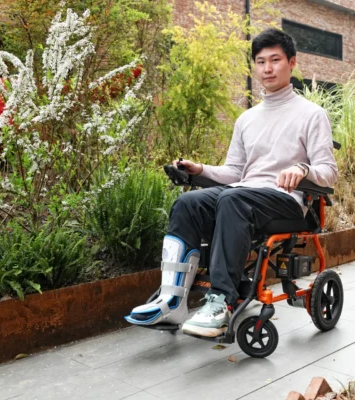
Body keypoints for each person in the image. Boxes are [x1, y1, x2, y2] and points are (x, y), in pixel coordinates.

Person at [126, 28, 338, 337]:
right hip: (244, 195)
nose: (267, 68)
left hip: (286, 201)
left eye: (275, 60)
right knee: (188, 202)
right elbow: (235, 173)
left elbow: (328, 172)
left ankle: (220, 302)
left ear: (292, 63)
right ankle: (172, 302)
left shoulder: (312, 114)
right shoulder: (246, 120)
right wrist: (201, 168)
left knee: (231, 200)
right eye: (261, 61)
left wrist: (302, 169)